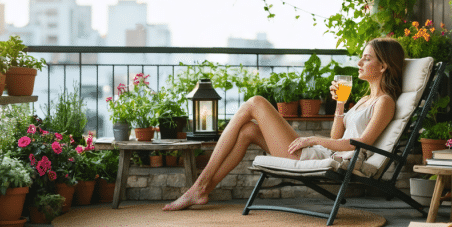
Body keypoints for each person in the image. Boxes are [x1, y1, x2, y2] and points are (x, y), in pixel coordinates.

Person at [163, 37, 405, 211]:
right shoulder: (364, 99)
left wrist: (313, 139)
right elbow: (337, 133)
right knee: (248, 130)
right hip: (323, 152)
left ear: (383, 66)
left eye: (367, 58)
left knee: (256, 102)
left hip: (329, 158)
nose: (360, 63)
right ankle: (202, 190)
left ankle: (199, 185)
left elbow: (361, 143)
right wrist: (340, 104)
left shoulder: (384, 102)